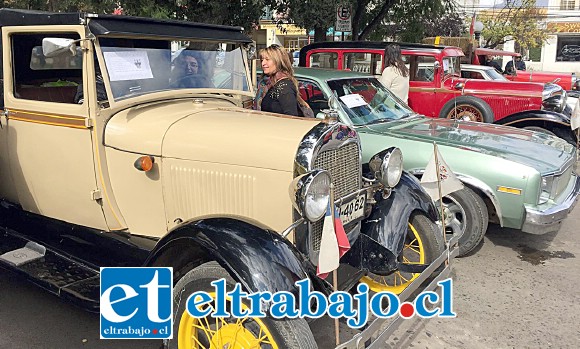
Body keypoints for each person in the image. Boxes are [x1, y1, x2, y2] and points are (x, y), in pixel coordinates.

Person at [254, 44, 312, 117]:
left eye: (267, 60)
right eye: (262, 60)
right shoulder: (270, 84)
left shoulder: (284, 86)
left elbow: (292, 117)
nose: (263, 63)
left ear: (278, 61)